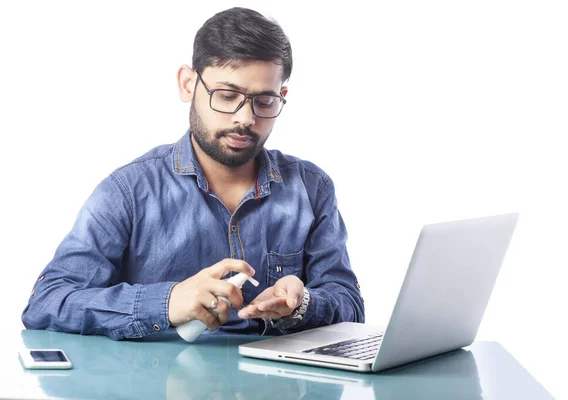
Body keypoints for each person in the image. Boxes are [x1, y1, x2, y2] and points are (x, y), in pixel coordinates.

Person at [21, 7, 365, 340]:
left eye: (264, 101)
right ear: (188, 84)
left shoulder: (311, 188)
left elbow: (350, 304)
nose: (244, 118)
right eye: (227, 95)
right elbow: (48, 301)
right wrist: (167, 302)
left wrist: (301, 305)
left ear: (282, 97)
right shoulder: (128, 191)